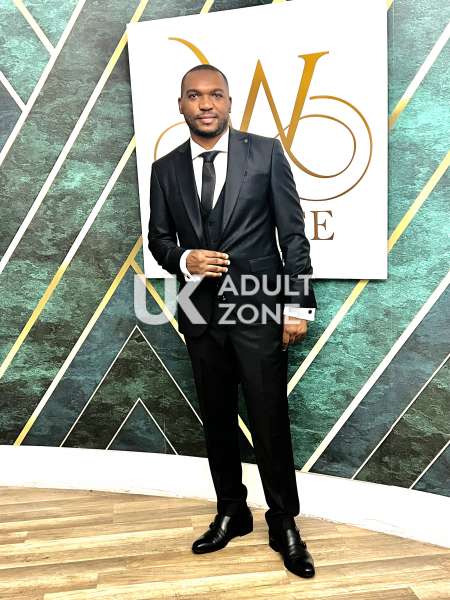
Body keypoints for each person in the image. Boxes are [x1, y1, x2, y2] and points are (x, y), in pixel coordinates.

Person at [148, 64, 317, 579]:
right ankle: (232, 511)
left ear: (229, 102)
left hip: (258, 308)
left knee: (269, 418)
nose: (205, 104)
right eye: (194, 95)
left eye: (215, 94)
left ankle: (283, 522)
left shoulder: (264, 153)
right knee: (217, 418)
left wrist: (297, 305)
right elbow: (158, 240)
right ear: (180, 104)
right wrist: (185, 259)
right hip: (200, 312)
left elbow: (292, 234)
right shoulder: (165, 169)